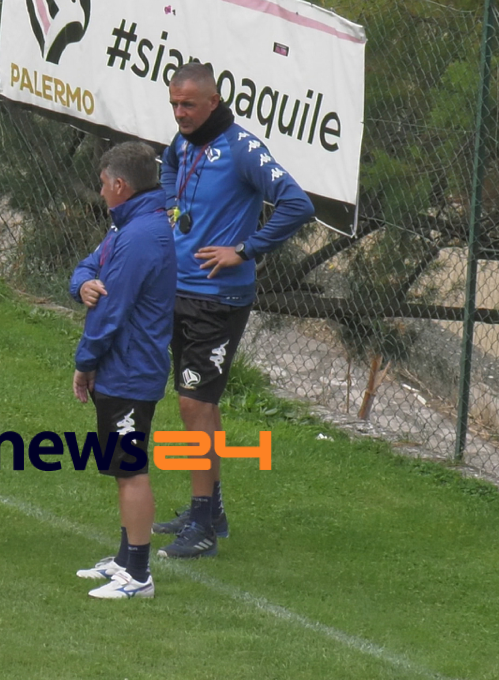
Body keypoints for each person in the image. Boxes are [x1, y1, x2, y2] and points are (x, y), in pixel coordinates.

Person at [153, 63, 315, 558]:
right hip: (180, 289)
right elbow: (168, 167)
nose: (180, 113)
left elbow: (297, 204)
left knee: (193, 404)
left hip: (218, 299)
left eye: (188, 105)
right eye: (174, 104)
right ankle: (209, 512)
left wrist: (244, 250)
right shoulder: (184, 142)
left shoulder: (243, 149)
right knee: (199, 403)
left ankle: (202, 528)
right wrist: (171, 205)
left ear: (214, 102)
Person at [69, 141, 177, 598]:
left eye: (102, 184)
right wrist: (82, 285)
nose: (100, 191)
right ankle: (125, 558)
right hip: (124, 366)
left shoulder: (139, 237)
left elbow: (112, 310)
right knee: (122, 467)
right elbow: (88, 267)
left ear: (119, 184)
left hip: (130, 369)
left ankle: (138, 575)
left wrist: (85, 362)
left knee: (131, 468)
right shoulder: (129, 226)